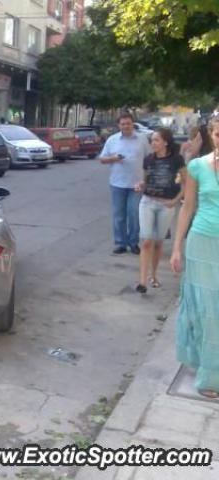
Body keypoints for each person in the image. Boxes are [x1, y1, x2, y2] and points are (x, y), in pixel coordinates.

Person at [170, 116, 219, 399]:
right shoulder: (198, 166)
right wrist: (177, 247)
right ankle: (210, 374)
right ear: (211, 135)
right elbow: (187, 209)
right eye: (218, 132)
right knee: (206, 310)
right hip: (200, 242)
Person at [133, 128, 185, 293]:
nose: (153, 143)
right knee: (146, 241)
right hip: (147, 202)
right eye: (152, 140)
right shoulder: (148, 159)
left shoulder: (177, 160)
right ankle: (142, 282)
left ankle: (153, 275)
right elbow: (145, 180)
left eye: (156, 140)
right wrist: (140, 184)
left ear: (165, 142)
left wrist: (175, 201)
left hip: (166, 205)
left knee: (158, 242)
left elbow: (187, 183)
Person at [99, 112, 152, 255]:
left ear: (132, 124)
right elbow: (102, 159)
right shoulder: (112, 140)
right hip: (117, 183)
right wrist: (113, 158)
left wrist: (146, 178)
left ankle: (133, 242)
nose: (126, 126)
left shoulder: (142, 139)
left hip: (136, 184)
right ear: (119, 125)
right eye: (123, 124)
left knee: (134, 213)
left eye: (128, 123)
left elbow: (150, 158)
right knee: (119, 215)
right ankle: (120, 243)